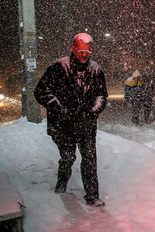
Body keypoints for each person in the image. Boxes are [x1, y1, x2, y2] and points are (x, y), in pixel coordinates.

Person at [34, 33, 108, 206]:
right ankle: (61, 185)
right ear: (73, 48)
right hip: (63, 125)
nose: (84, 54)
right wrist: (60, 109)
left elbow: (101, 95)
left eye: (88, 51)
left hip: (86, 125)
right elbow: (40, 92)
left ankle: (92, 196)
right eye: (81, 50)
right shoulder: (58, 67)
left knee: (89, 159)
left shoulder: (95, 70)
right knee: (68, 157)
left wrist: (93, 111)